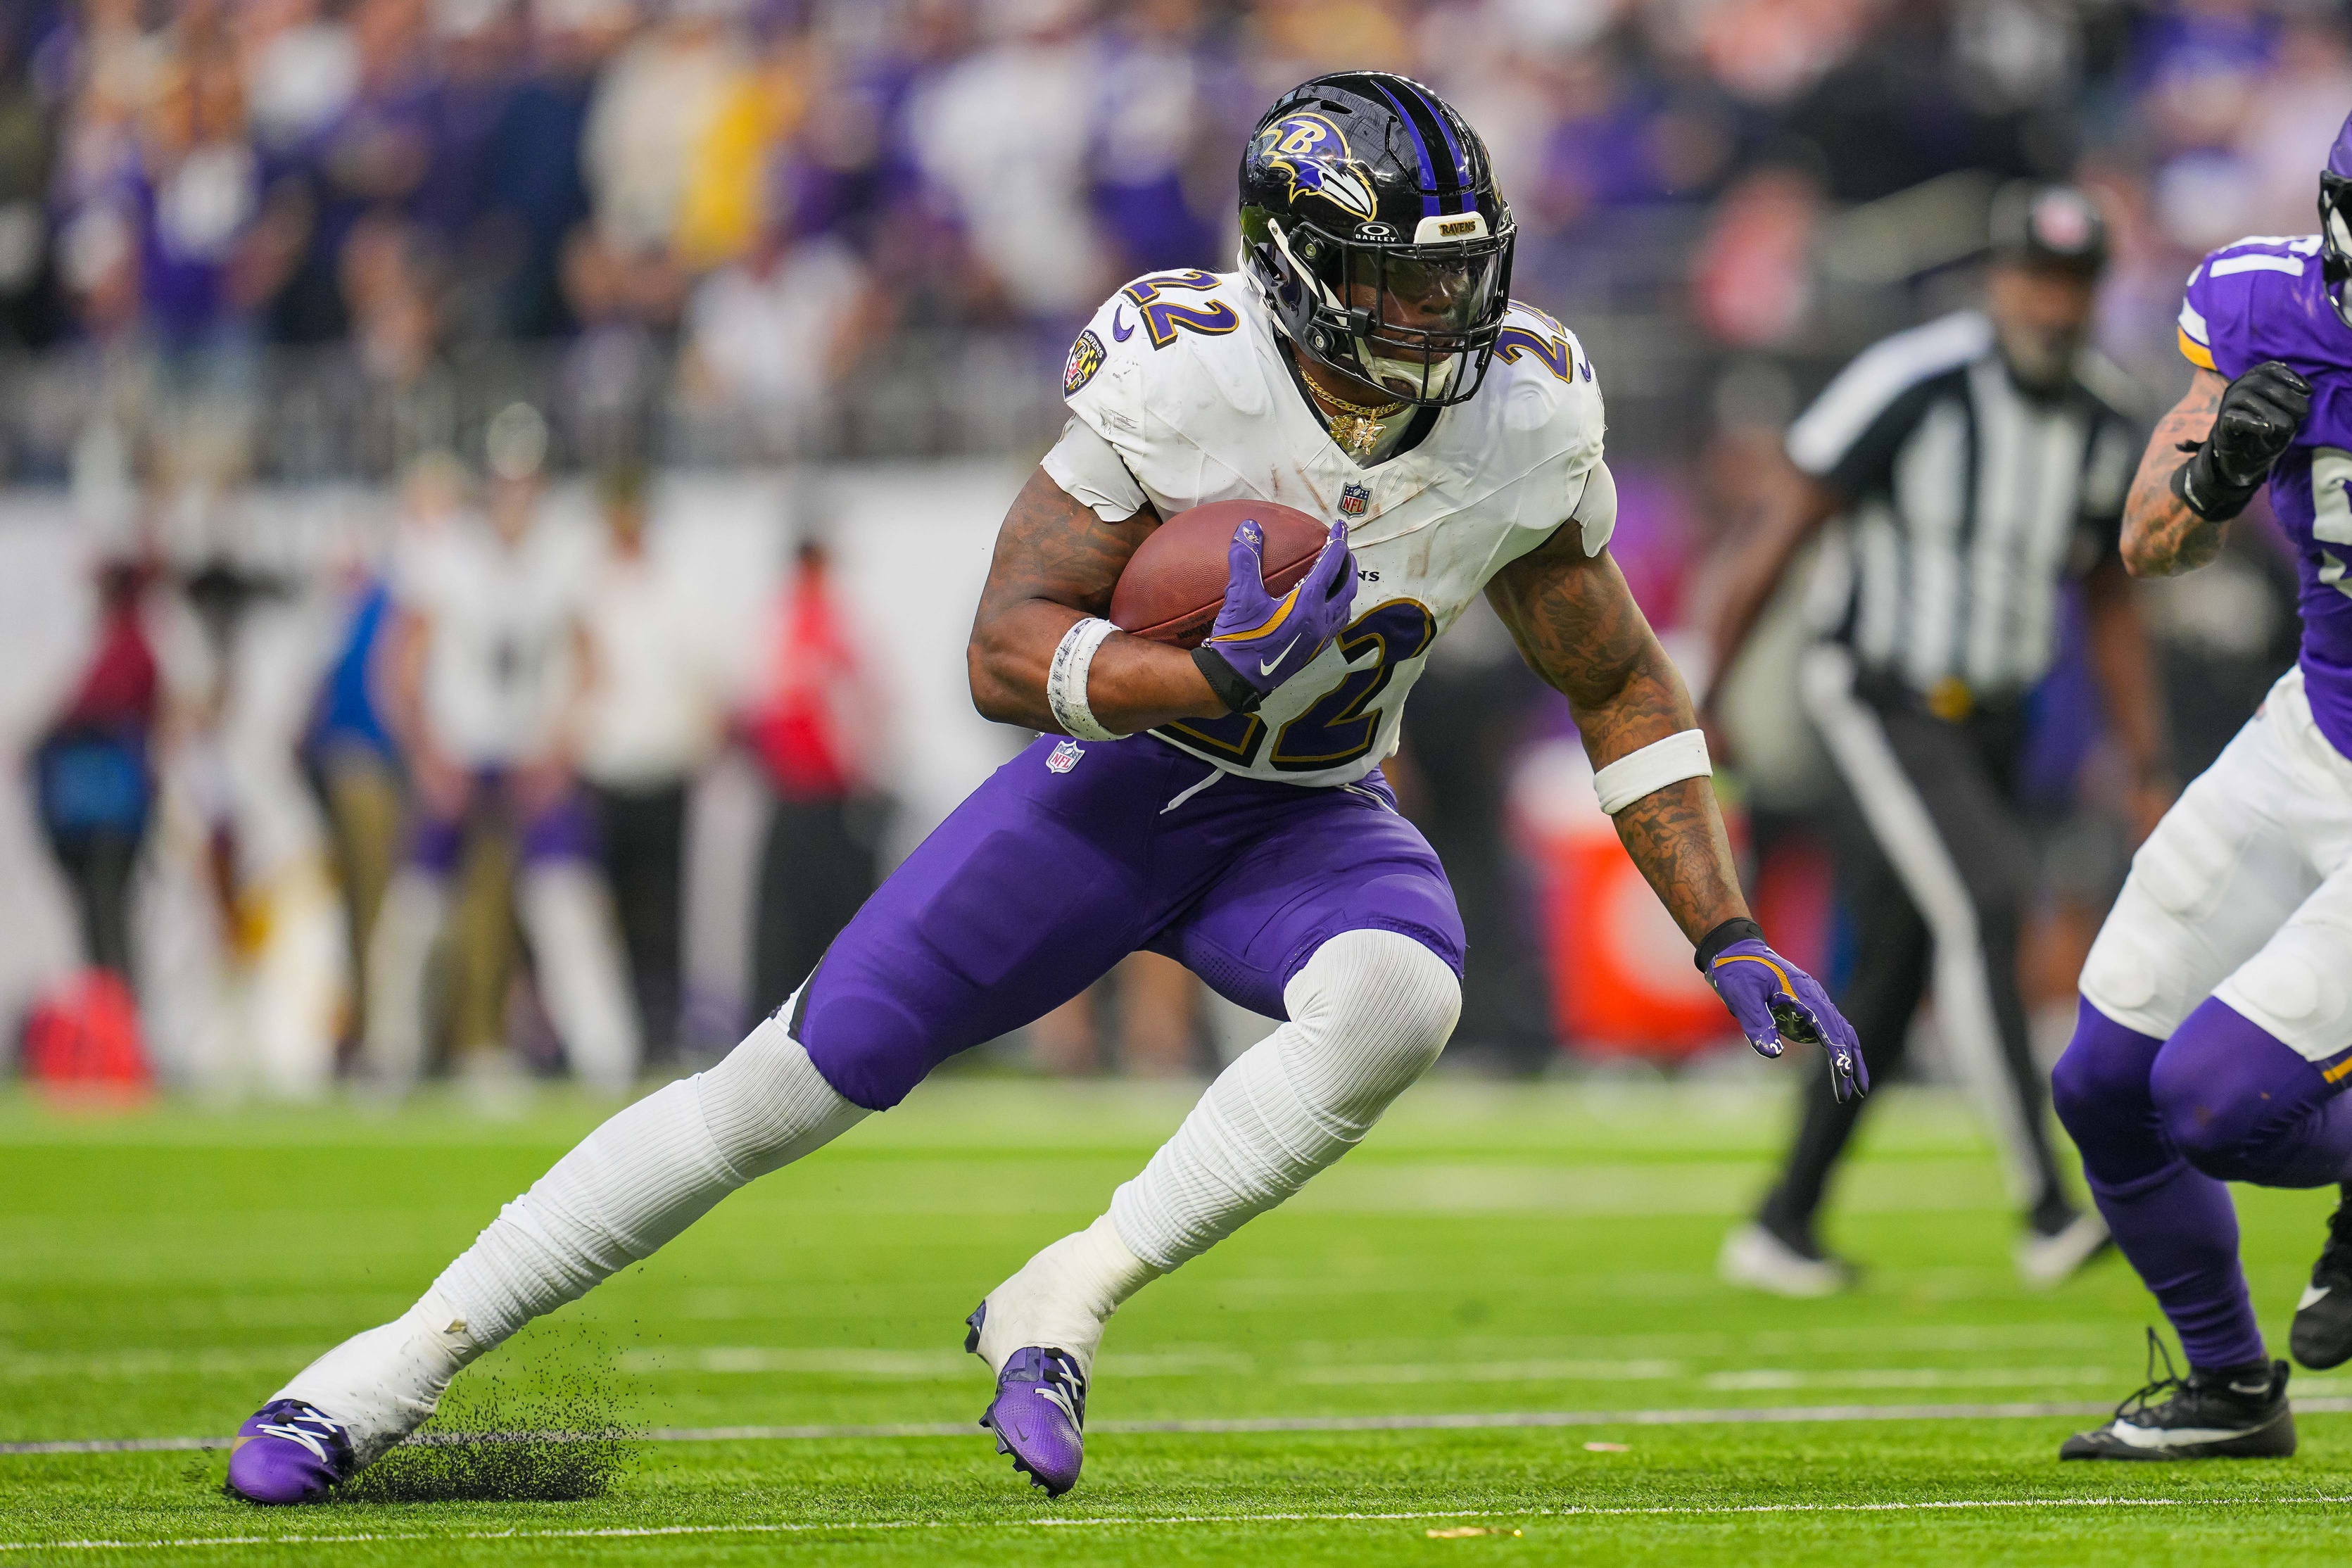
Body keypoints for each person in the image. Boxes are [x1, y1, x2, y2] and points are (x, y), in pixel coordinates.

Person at [222, 72, 1861, 1507]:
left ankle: (1063, 1296)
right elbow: (1004, 648)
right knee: (779, 1090)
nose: (1443, 317)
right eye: (1398, 281)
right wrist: (1197, 678)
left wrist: (1719, 925)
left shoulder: (1526, 409)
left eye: (1460, 277)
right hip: (1114, 793)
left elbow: (1616, 679)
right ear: (1298, 270)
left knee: (1400, 999)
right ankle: (385, 1367)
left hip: (1308, 817)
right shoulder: (1185, 371)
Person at [1704, 184, 2166, 1298]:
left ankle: (1783, 1221)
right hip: (1878, 696)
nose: (2051, 305)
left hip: (1994, 718)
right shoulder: (1912, 380)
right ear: (1997, 279)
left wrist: (2143, 756)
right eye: (2036, 278)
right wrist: (1705, 692)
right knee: (1987, 903)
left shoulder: (2105, 416)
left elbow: (2107, 593)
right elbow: (1784, 524)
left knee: (1899, 964)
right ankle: (2046, 1205)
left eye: (2073, 283)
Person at [2054, 113, 2352, 1461]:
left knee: (2221, 1101)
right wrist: (2222, 466)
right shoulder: (2260, 305)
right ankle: (2231, 1388)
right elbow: (2146, 543)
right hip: (2313, 732)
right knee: (2103, 1082)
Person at [365, 403, 640, 1096]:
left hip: (530, 753)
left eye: (527, 481)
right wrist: (427, 753)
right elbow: (398, 663)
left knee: (566, 906)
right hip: (460, 750)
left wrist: (562, 746)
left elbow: (594, 663)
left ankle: (605, 1055)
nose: (516, 496)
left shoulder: (563, 552)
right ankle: (392, 1054)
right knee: (416, 913)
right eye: (506, 481)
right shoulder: (446, 552)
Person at [578, 464, 724, 1065]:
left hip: (664, 767)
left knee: (664, 910)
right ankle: (613, 1037)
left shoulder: (675, 587)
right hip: (603, 769)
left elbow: (705, 677)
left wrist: (698, 745)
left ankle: (662, 1031)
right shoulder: (587, 587)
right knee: (603, 911)